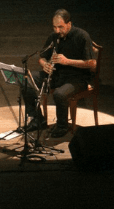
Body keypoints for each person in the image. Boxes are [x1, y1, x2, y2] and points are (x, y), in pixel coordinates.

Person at [21, 9, 94, 138]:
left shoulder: (82, 36)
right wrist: (45, 65)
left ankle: (62, 126)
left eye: (60, 27)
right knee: (26, 80)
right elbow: (42, 57)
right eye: (54, 27)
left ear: (69, 24)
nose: (57, 31)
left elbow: (92, 63)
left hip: (77, 79)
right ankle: (38, 119)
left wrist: (67, 61)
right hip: (57, 75)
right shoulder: (54, 36)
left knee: (60, 94)